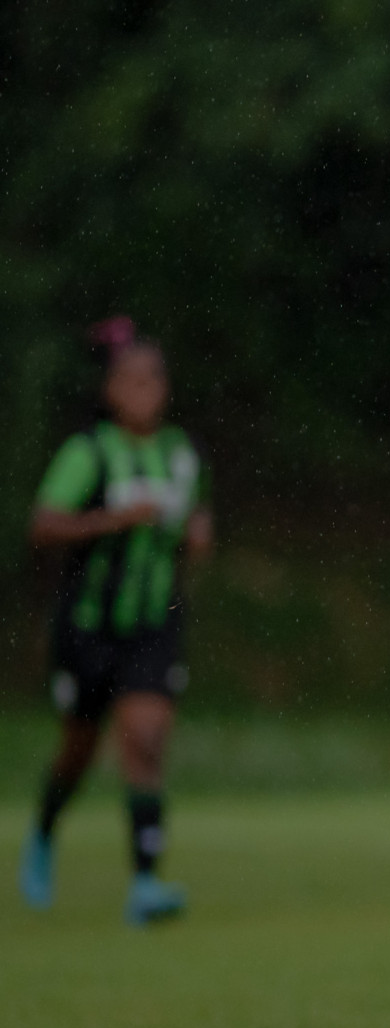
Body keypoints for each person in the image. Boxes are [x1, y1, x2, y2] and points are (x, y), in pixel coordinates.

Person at [18, 318, 213, 925]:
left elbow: (193, 524)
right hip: (89, 625)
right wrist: (112, 521)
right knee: (78, 748)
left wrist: (200, 539)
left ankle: (146, 884)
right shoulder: (90, 452)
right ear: (110, 389)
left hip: (153, 625)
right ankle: (46, 832)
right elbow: (44, 525)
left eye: (154, 378)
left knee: (145, 738)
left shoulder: (180, 455)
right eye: (131, 379)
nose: (144, 390)